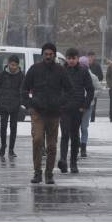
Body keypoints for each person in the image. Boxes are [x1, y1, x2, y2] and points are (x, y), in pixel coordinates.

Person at [23, 42, 73, 185]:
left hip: (54, 113)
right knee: (37, 139)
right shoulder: (34, 69)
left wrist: (61, 103)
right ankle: (37, 172)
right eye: (46, 54)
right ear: (42, 55)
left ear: (54, 55)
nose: (48, 57)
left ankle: (49, 173)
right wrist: (29, 105)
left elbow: (69, 90)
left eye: (51, 54)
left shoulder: (60, 71)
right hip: (38, 112)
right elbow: (24, 89)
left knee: (51, 145)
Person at [57, 48, 94, 174]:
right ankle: (63, 160)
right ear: (66, 58)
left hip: (78, 109)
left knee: (75, 136)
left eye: (74, 58)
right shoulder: (61, 70)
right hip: (64, 108)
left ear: (77, 58)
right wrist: (59, 103)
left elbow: (90, 90)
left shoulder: (83, 71)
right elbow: (56, 87)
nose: (71, 60)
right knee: (64, 134)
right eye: (69, 58)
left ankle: (73, 162)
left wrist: (85, 105)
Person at [0, 55, 25, 159]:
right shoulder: (2, 75)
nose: (13, 67)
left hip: (15, 106)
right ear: (8, 63)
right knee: (3, 127)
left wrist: (20, 101)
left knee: (13, 127)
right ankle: (3, 145)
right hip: (3, 105)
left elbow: (24, 90)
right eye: (11, 64)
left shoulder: (21, 76)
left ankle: (11, 149)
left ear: (18, 65)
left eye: (15, 65)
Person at [78, 65, 100, 157]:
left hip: (88, 105)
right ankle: (76, 145)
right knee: (75, 127)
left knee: (84, 127)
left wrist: (91, 96)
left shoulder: (93, 77)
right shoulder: (76, 75)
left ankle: (83, 147)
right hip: (76, 105)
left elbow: (99, 88)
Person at [86, 51, 103, 122]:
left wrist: (96, 80)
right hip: (85, 88)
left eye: (92, 56)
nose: (90, 58)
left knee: (93, 105)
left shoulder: (97, 66)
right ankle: (85, 118)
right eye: (89, 56)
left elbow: (101, 76)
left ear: (94, 57)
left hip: (93, 89)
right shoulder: (84, 65)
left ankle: (92, 120)